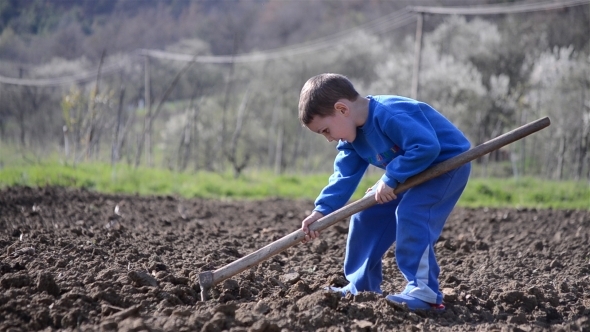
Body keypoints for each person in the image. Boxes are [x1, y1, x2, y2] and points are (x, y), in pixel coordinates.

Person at [298, 73, 471, 311]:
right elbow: (344, 176)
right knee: (364, 214)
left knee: (412, 214)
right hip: (408, 172)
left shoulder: (389, 113)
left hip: (445, 166)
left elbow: (426, 146)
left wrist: (389, 177)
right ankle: (362, 286)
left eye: (325, 130)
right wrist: (322, 210)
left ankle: (425, 292)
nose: (328, 139)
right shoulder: (352, 138)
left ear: (342, 109)